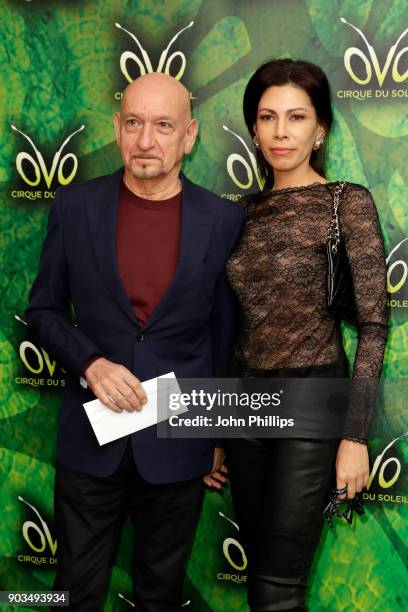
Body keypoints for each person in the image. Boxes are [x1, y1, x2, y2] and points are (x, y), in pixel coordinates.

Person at [26, 72, 244, 611]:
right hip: (90, 441)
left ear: (188, 136)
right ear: (117, 129)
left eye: (163, 125)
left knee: (160, 597)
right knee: (73, 595)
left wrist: (212, 430)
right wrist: (90, 363)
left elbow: (224, 334)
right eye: (134, 123)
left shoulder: (223, 219)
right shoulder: (76, 208)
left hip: (176, 442)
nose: (146, 140)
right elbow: (43, 311)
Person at [225, 59, 388, 611]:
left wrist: (355, 437)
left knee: (278, 590)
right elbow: (231, 324)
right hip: (244, 405)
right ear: (252, 127)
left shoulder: (348, 202)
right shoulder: (238, 213)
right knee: (259, 583)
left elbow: (373, 325)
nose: (280, 131)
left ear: (320, 130)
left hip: (314, 402)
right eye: (267, 117)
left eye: (296, 117)